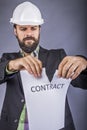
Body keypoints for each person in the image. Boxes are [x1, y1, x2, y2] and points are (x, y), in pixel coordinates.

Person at [0, 1, 87, 130]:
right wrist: (12, 65)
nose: (29, 33)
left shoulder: (58, 56)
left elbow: (84, 82)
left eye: (33, 28)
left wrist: (84, 63)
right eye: (23, 29)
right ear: (15, 31)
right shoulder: (8, 59)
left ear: (39, 29)